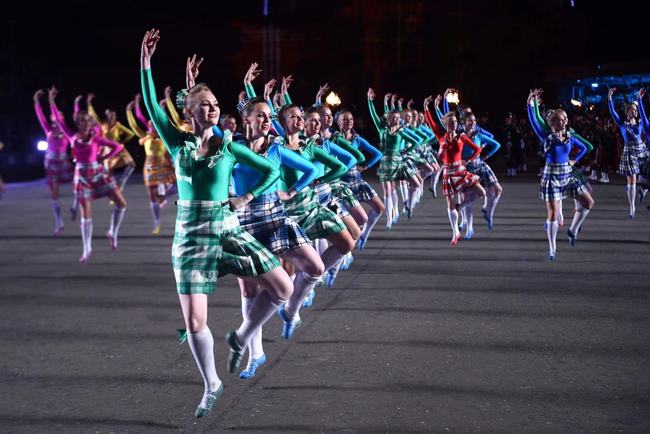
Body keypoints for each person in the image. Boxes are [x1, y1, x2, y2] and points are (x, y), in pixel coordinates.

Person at [140, 30, 293, 418]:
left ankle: (241, 336)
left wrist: (246, 197)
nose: (212, 109)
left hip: (226, 226)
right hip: (189, 233)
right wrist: (145, 63)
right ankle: (211, 384)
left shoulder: (230, 145)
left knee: (283, 287)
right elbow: (150, 103)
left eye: (214, 104)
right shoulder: (177, 143)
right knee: (193, 321)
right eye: (204, 105)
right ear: (189, 112)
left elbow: (271, 171)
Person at [49, 86, 127, 262]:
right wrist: (51, 100)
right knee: (86, 215)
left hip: (98, 172)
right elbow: (60, 122)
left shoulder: (95, 138)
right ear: (78, 122)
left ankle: (112, 233)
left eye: (87, 120)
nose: (85, 123)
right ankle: (87, 249)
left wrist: (105, 157)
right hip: (82, 176)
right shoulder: (72, 136)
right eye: (82, 120)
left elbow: (119, 146)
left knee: (121, 203)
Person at [528, 90, 594, 259]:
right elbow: (534, 119)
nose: (565, 121)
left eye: (565, 118)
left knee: (588, 202)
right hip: (551, 176)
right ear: (552, 122)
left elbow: (585, 148)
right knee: (552, 214)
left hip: (567, 174)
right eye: (561, 119)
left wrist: (574, 160)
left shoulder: (570, 136)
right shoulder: (546, 135)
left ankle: (572, 231)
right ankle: (552, 248)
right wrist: (531, 102)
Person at [425, 95, 485, 246]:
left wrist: (468, 160)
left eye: (455, 122)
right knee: (449, 204)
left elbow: (477, 149)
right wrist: (427, 108)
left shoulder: (461, 136)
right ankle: (455, 232)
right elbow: (432, 123)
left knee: (481, 192)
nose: (453, 124)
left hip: (460, 170)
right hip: (448, 173)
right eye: (451, 122)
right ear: (446, 124)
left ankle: (460, 207)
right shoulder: (441, 137)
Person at [126, 94, 177, 234]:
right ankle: (156, 223)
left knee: (173, 185)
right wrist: (129, 111)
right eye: (151, 125)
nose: (153, 127)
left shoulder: (163, 136)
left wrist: (162, 108)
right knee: (151, 196)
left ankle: (163, 196)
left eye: (155, 125)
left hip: (163, 165)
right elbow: (135, 125)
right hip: (149, 166)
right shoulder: (146, 137)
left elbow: (166, 121)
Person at [34, 89, 75, 235]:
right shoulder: (49, 130)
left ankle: (75, 206)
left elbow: (56, 115)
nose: (56, 115)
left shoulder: (65, 130)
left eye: (59, 114)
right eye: (54, 114)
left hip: (63, 162)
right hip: (51, 162)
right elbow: (40, 117)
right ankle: (59, 223)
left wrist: (51, 99)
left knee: (78, 184)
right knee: (54, 194)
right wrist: (36, 101)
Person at [608, 87, 648, 218]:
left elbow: (643, 112)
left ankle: (644, 188)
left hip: (641, 150)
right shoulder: (622, 124)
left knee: (647, 173)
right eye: (632, 110)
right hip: (629, 152)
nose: (634, 111)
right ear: (627, 112)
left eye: (635, 110)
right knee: (632, 181)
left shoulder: (641, 123)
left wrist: (639, 99)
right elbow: (613, 112)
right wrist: (609, 98)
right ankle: (632, 207)